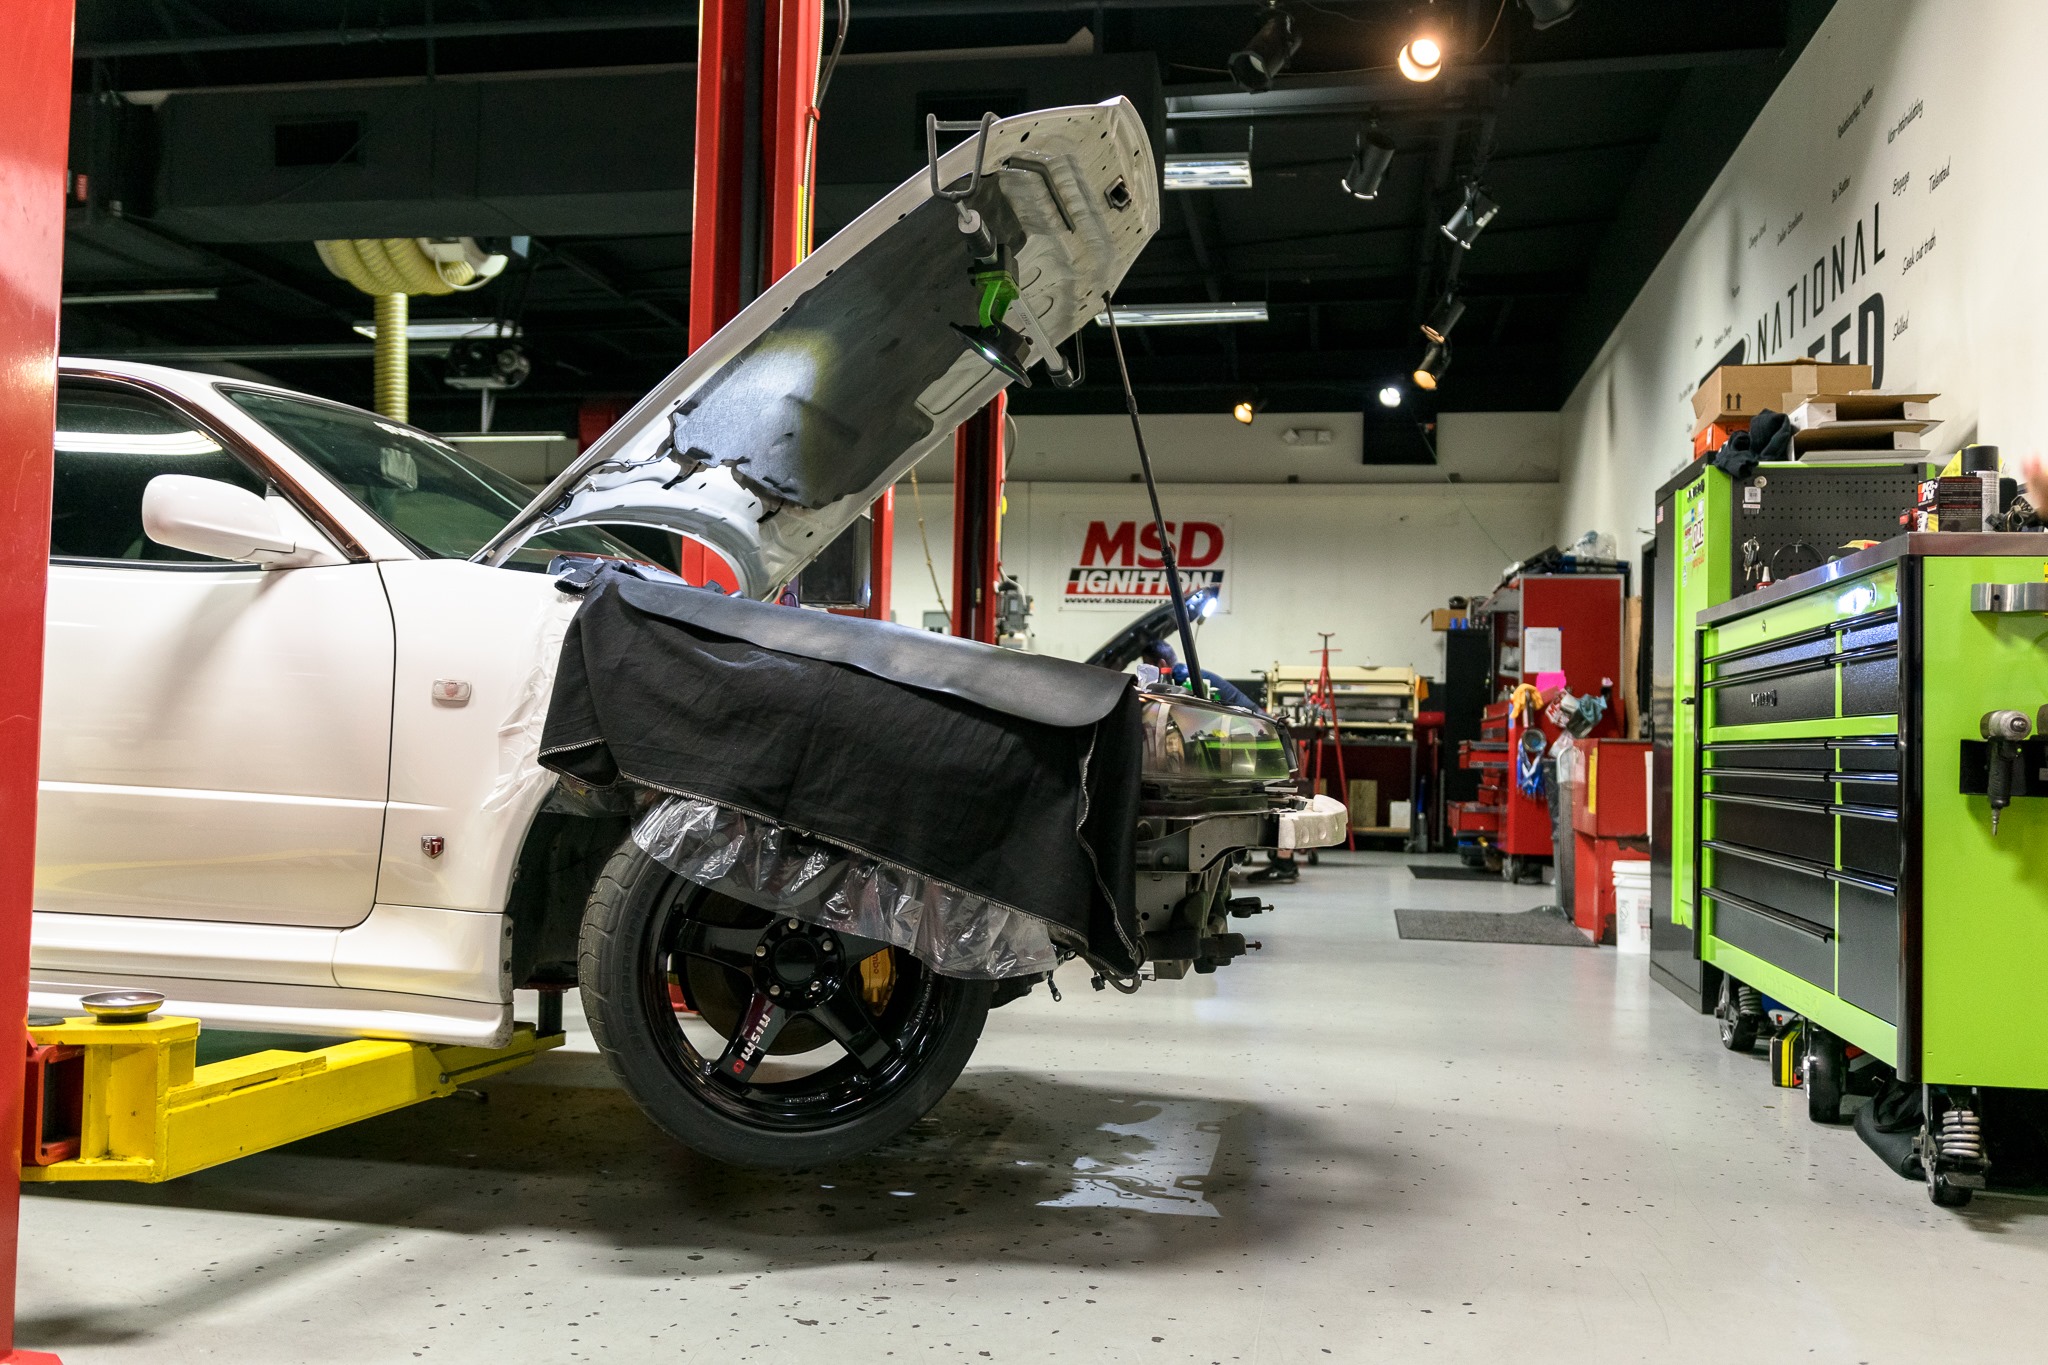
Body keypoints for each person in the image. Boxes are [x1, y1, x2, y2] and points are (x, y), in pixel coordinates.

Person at [1139, 639, 1259, 711]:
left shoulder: (1182, 679)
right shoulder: (1185, 672)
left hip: (1253, 719)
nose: (1147, 671)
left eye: (1148, 666)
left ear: (1161, 664)